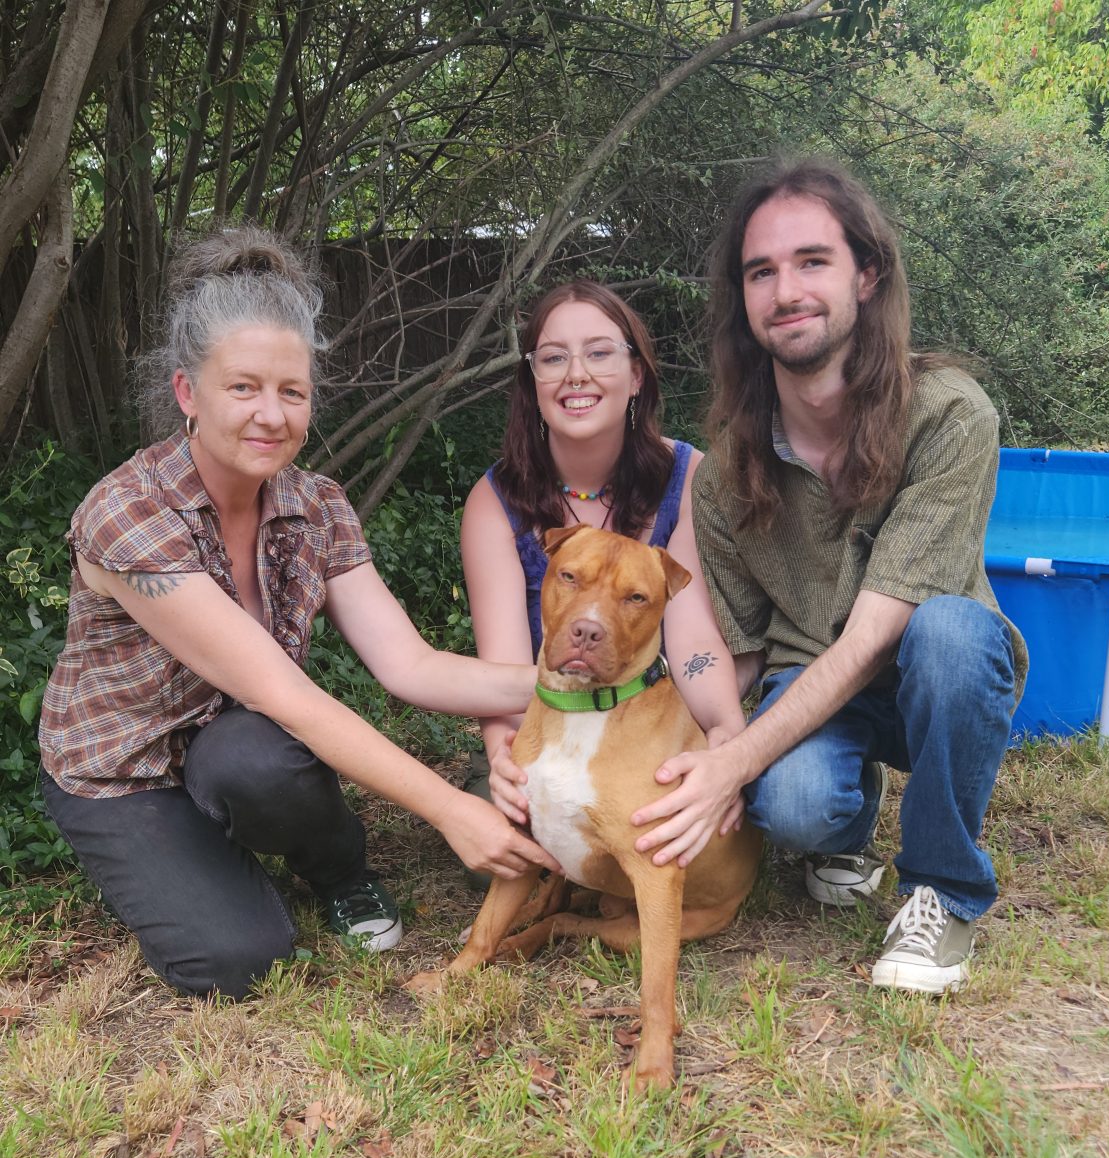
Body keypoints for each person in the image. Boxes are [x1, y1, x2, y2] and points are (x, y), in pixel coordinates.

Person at [37, 229, 558, 1001]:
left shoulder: (317, 507)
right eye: (242, 387)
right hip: (123, 773)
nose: (270, 415)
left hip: (233, 745)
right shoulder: (129, 514)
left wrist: (583, 685)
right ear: (188, 392)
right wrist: (454, 809)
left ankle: (337, 868)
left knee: (256, 760)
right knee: (236, 960)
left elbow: (411, 666)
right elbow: (289, 697)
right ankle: (195, 859)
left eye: (293, 391)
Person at [630, 159, 1027, 995]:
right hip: (809, 674)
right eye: (761, 271)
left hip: (929, 663)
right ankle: (845, 814)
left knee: (950, 635)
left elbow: (879, 631)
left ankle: (939, 892)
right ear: (744, 298)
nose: (786, 290)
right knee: (799, 807)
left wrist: (731, 769)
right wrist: (714, 748)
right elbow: (733, 649)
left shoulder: (951, 414)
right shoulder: (727, 469)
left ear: (867, 275)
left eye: (812, 261)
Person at [461, 281, 747, 866]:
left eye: (598, 352)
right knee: (509, 852)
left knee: (687, 832)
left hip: (652, 718)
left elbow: (692, 637)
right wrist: (503, 755)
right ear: (532, 379)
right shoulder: (495, 501)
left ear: (636, 373)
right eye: (553, 357)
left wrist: (726, 736)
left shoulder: (688, 477)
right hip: (547, 718)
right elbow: (506, 672)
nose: (576, 374)